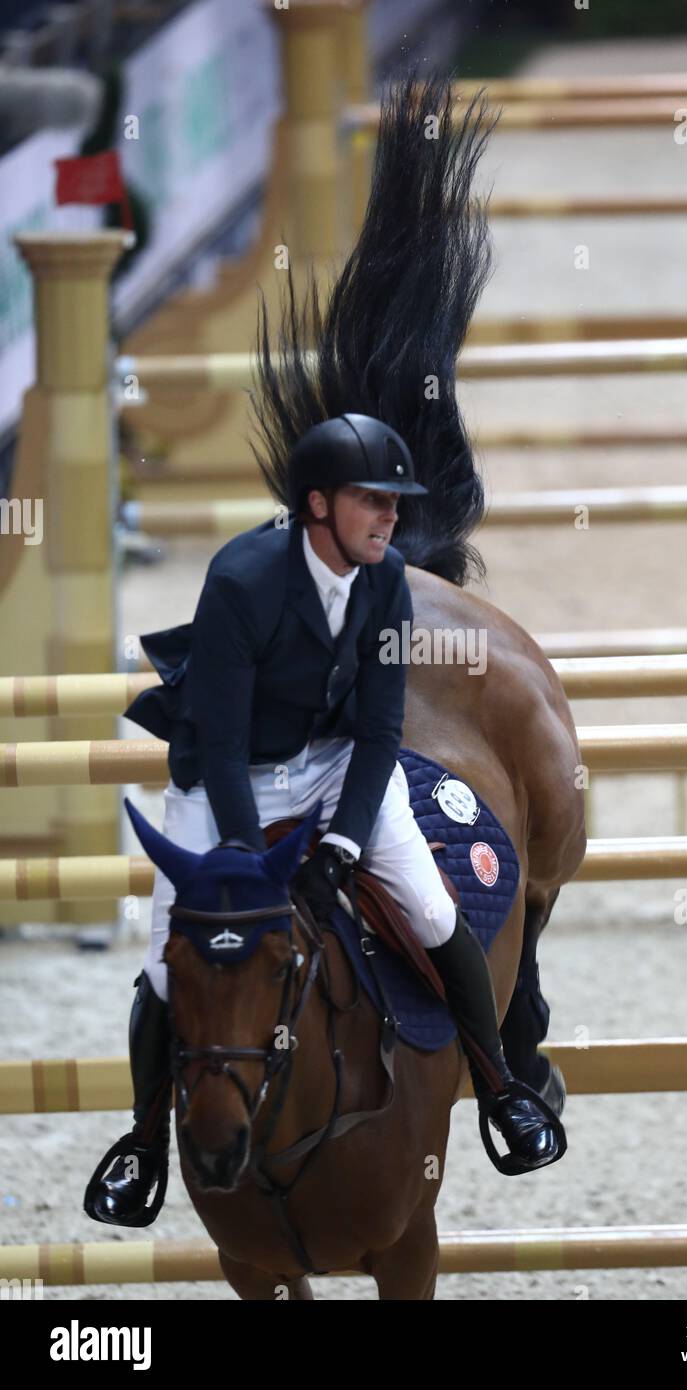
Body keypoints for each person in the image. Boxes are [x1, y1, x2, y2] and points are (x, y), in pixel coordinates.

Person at [84, 72, 564, 1230]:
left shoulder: (390, 575)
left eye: (396, 508)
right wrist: (252, 859)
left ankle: (501, 1084)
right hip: (231, 783)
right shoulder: (241, 582)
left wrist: (348, 825)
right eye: (372, 506)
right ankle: (144, 1144)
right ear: (313, 509)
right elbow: (211, 733)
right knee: (165, 962)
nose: (392, 523)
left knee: (439, 919)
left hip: (337, 777)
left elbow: (384, 725)